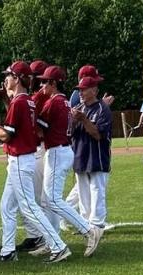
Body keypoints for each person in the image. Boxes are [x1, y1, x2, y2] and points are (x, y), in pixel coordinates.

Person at [0, 62, 69, 263]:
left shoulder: (19, 102)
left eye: (8, 75)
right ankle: (8, 251)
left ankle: (58, 246)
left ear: (17, 78)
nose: (5, 79)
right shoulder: (27, 101)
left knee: (28, 207)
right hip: (22, 158)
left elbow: (6, 136)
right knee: (6, 206)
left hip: (20, 159)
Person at [36, 66, 99, 252]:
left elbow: (39, 130)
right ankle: (51, 241)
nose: (41, 85)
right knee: (47, 200)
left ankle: (88, 230)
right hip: (60, 150)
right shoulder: (63, 101)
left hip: (57, 151)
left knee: (53, 200)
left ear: (54, 83)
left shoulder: (53, 102)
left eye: (44, 81)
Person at [70, 75, 113, 252]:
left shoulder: (102, 109)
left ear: (94, 90)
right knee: (83, 192)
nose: (80, 92)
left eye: (84, 89)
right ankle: (85, 225)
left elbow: (98, 134)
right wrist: (74, 120)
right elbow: (70, 133)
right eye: (79, 89)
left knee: (97, 191)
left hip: (97, 157)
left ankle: (97, 226)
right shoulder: (78, 108)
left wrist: (84, 120)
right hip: (80, 155)